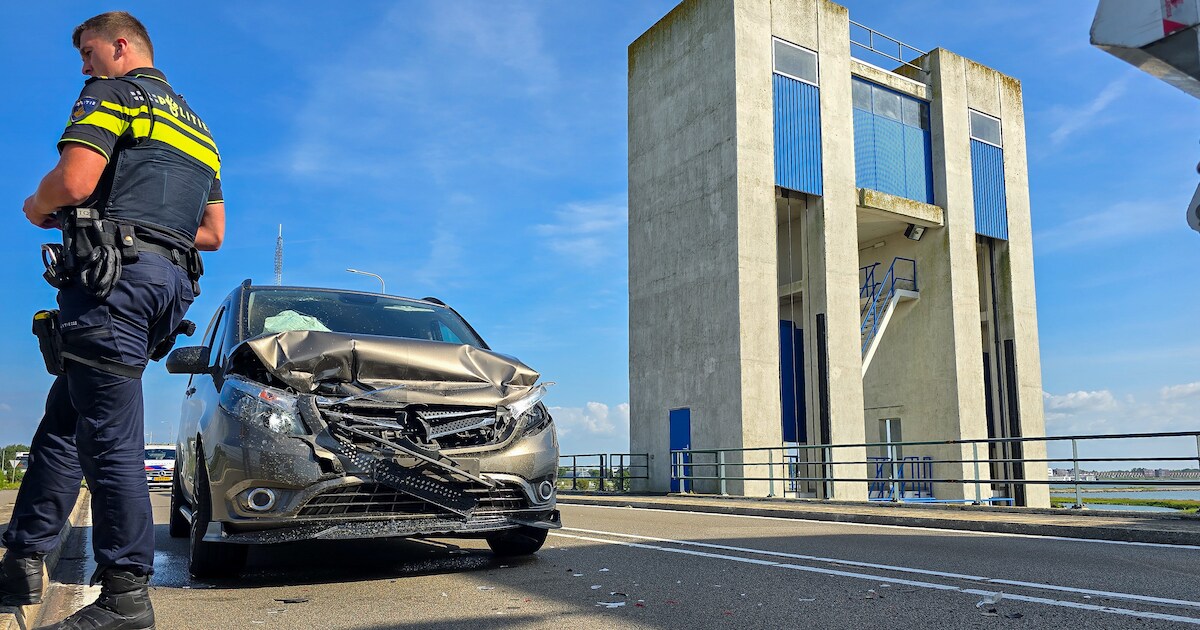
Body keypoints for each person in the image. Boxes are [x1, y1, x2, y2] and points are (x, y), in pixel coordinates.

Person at [2, 12, 224, 630]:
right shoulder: (200, 132)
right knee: (67, 415)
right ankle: (23, 554)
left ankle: (127, 594)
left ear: (121, 46)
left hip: (113, 283)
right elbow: (212, 234)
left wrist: (37, 205)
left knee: (109, 432)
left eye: (89, 51)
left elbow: (73, 181)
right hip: (166, 287)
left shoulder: (112, 95)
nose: (83, 66)